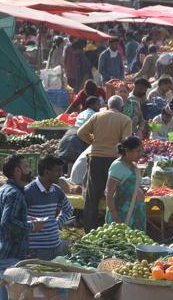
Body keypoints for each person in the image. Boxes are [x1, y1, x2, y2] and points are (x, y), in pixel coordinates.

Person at [0, 154, 45, 300]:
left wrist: (26, 218)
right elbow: (6, 222)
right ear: (17, 171)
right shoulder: (15, 194)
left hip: (0, 253)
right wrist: (32, 226)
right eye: (26, 167)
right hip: (11, 255)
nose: (29, 170)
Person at [77, 96, 132, 232]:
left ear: (107, 106)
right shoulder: (125, 120)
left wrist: (94, 142)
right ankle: (114, 229)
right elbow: (127, 143)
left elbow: (80, 132)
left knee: (92, 197)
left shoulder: (97, 116)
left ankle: (89, 231)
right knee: (114, 195)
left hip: (96, 158)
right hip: (114, 161)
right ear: (122, 108)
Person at [25, 155, 73, 260]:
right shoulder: (28, 192)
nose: (61, 174)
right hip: (36, 250)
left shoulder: (57, 190)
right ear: (47, 172)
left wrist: (56, 224)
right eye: (58, 171)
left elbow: (68, 209)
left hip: (56, 246)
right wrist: (33, 226)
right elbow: (19, 218)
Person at [105, 137, 146, 230]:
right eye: (138, 151)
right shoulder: (118, 166)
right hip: (122, 214)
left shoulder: (133, 165)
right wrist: (116, 218)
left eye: (141, 151)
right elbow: (109, 194)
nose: (140, 154)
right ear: (127, 151)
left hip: (135, 213)